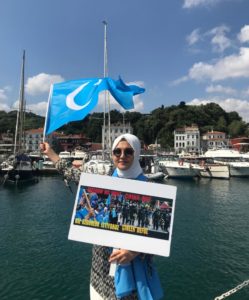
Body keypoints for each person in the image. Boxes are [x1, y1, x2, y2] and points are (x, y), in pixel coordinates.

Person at [40, 133, 163, 300]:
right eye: (117, 151)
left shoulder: (150, 188)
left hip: (132, 274)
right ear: (112, 154)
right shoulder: (103, 183)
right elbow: (72, 174)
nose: (122, 156)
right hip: (100, 270)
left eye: (128, 151)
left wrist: (133, 250)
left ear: (137, 154)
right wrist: (50, 153)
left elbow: (160, 233)